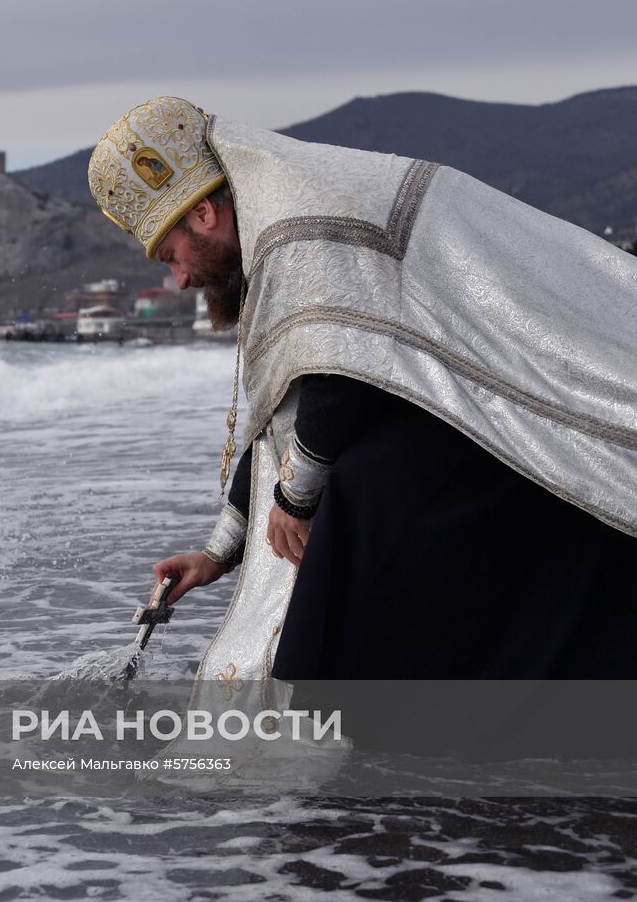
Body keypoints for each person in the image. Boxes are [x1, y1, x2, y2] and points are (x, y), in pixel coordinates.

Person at [86, 97, 637, 730]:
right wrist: (218, 550)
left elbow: (346, 368)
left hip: (541, 402)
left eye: (170, 254)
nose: (179, 279)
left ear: (204, 213)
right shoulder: (279, 218)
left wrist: (294, 499)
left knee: (358, 495)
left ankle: (406, 749)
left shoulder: (301, 219)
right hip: (483, 411)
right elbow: (297, 404)